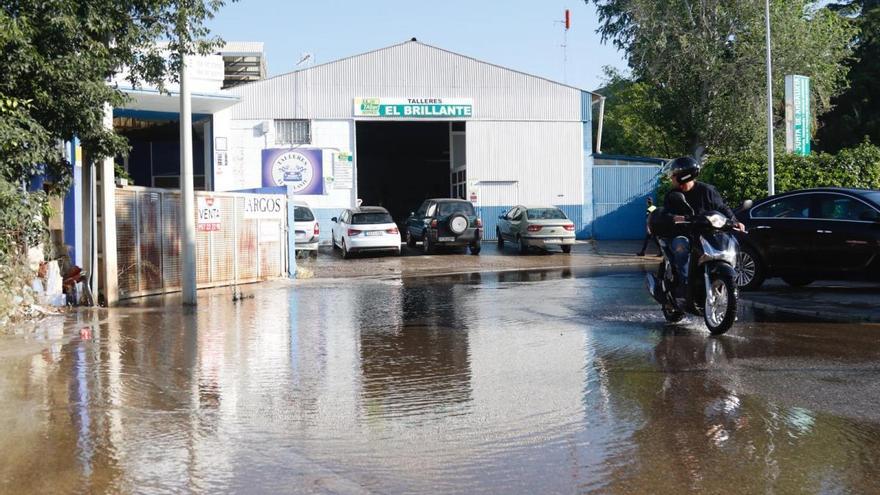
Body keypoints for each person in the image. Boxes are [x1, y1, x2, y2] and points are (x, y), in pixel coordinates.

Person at [661, 157, 745, 295]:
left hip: (707, 233)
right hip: (684, 233)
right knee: (681, 248)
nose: (671, 179)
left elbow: (722, 208)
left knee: (728, 244)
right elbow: (666, 213)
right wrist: (673, 218)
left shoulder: (707, 190)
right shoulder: (673, 195)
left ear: (683, 176)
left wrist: (734, 221)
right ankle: (684, 285)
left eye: (673, 175)